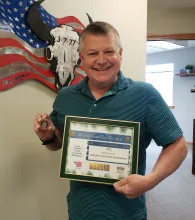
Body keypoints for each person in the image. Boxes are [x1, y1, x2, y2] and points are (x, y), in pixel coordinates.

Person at [33, 21, 188, 220]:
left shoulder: (145, 95)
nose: (101, 60)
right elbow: (59, 143)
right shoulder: (65, 97)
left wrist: (149, 181)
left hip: (127, 213)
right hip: (80, 211)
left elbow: (178, 146)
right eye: (92, 53)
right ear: (81, 58)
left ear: (120, 54)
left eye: (109, 51)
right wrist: (48, 137)